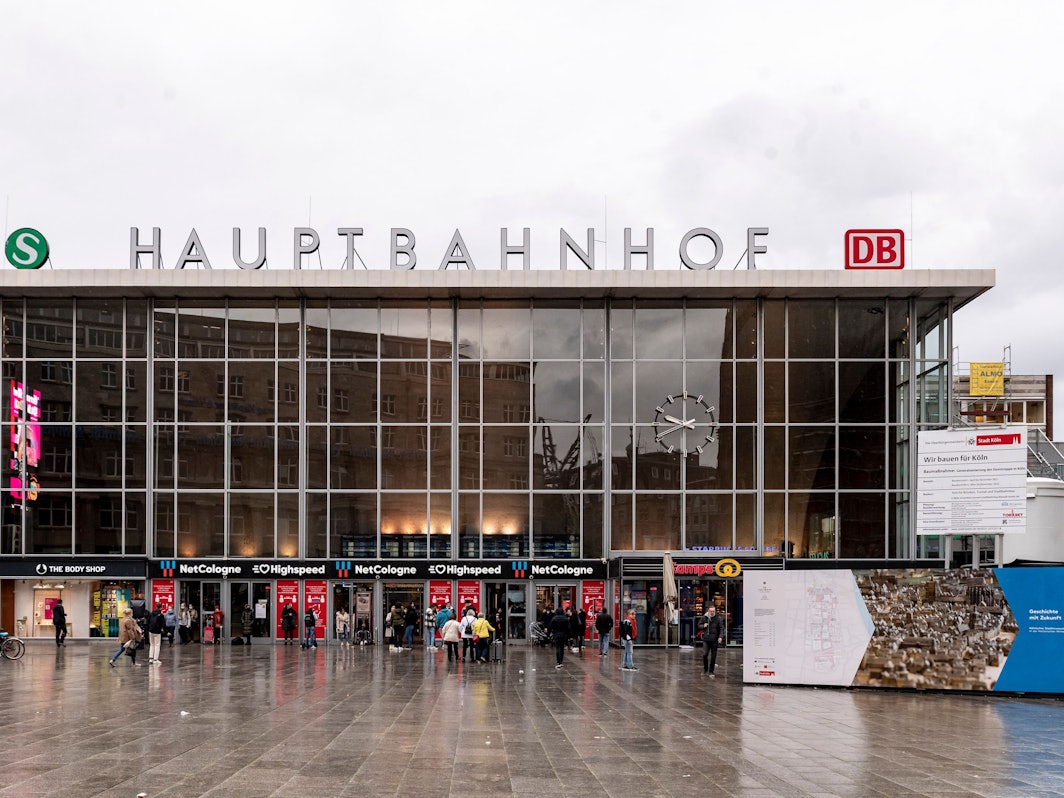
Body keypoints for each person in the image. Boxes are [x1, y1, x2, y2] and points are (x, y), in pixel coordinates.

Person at [700, 605, 726, 677]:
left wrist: (720, 637)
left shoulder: (718, 618)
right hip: (706, 639)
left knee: (713, 656)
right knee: (705, 654)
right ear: (708, 611)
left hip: (714, 639)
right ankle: (705, 669)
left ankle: (711, 671)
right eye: (711, 611)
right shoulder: (704, 617)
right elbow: (699, 625)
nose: (712, 612)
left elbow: (721, 628)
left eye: (713, 611)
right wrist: (703, 625)